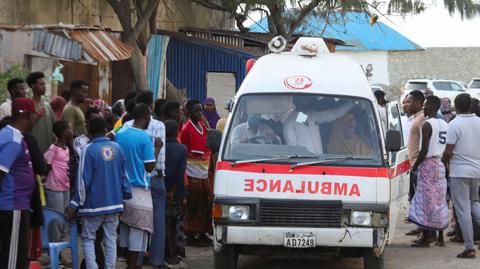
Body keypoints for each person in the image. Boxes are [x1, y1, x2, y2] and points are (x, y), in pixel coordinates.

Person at [66, 117, 132, 269]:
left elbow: (83, 180)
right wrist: (125, 199)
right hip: (115, 204)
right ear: (105, 130)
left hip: (93, 205)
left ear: (89, 132)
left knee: (88, 239)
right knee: (110, 240)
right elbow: (124, 177)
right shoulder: (118, 148)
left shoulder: (88, 149)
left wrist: (75, 203)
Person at [122, 91, 166, 269]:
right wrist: (156, 149)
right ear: (150, 108)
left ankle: (135, 261)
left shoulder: (124, 128)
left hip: (125, 183)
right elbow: (155, 163)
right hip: (149, 180)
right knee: (154, 223)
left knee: (129, 222)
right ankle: (156, 261)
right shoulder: (156, 127)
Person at [115, 103, 156, 269]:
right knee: (139, 230)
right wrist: (157, 148)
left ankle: (126, 261)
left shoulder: (121, 133)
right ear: (146, 117)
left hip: (121, 188)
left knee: (125, 227)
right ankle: (133, 265)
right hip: (139, 190)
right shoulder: (144, 138)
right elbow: (149, 166)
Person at [0, 98, 39, 269]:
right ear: (27, 115)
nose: (35, 119)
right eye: (34, 115)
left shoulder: (7, 133)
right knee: (13, 260)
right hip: (13, 206)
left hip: (15, 205)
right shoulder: (14, 139)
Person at [408, 96, 449, 247]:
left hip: (427, 165)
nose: (423, 109)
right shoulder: (445, 124)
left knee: (426, 202)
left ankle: (425, 239)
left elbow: (424, 150)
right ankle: (440, 238)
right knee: (439, 200)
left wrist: (415, 166)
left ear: (431, 107)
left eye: (425, 106)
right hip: (439, 165)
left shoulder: (428, 124)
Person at [443, 93, 480, 258]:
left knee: (463, 209)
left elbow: (449, 151)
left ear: (456, 107)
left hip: (459, 172)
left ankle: (469, 247)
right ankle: (470, 245)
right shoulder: (479, 122)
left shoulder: (454, 124)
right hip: (476, 171)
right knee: (474, 203)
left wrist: (444, 161)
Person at [180, 99, 213, 246]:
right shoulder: (187, 130)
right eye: (197, 111)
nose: (200, 113)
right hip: (193, 174)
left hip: (204, 172)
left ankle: (203, 232)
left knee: (205, 204)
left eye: (201, 110)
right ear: (189, 113)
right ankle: (192, 234)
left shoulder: (202, 126)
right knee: (194, 205)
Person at [283, 97, 353, 155]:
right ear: (295, 103)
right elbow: (292, 150)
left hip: (321, 162)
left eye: (305, 100)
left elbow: (334, 114)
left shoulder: (314, 116)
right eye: (301, 101)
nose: (304, 103)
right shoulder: (289, 123)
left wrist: (351, 103)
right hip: (304, 165)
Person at [44, 121, 73, 243]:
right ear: (63, 132)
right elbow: (46, 165)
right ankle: (54, 249)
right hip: (54, 188)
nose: (72, 131)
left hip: (65, 187)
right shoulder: (53, 149)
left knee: (64, 217)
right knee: (56, 219)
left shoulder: (66, 148)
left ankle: (60, 249)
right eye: (70, 128)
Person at [164, 120, 188, 269]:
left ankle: (167, 253)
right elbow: (180, 173)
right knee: (178, 224)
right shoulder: (181, 149)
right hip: (177, 192)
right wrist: (173, 192)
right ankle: (177, 255)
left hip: (162, 191)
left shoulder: (159, 147)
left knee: (165, 224)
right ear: (177, 133)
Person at [27, 72, 56, 154]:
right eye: (41, 84)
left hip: (48, 153)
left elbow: (54, 128)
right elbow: (25, 129)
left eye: (44, 84)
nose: (44, 86)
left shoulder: (47, 106)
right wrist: (36, 116)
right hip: (33, 152)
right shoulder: (28, 105)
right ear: (33, 86)